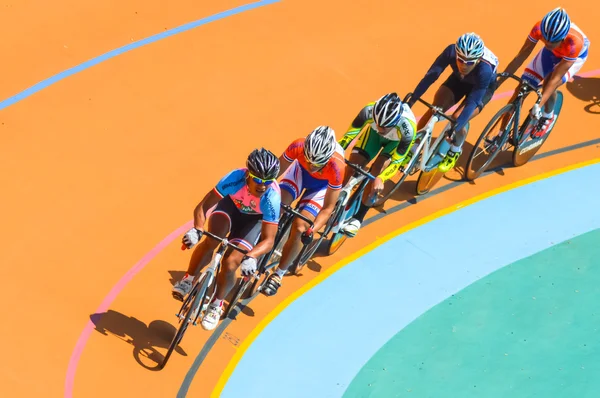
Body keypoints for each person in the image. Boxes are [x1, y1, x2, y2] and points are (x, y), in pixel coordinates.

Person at [172, 148, 281, 331]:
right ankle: (188, 279)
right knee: (211, 241)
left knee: (230, 263)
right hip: (229, 208)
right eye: (258, 180)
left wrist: (252, 256)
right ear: (248, 174)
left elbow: (269, 240)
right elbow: (203, 206)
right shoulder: (235, 178)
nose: (263, 185)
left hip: (252, 222)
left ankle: (217, 304)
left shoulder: (272, 198)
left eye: (268, 181)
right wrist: (197, 229)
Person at [261, 126, 346, 297]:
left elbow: (328, 208)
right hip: (298, 173)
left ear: (328, 158)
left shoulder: (337, 167)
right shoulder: (298, 146)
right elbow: (273, 177)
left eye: (317, 164)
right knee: (276, 205)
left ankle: (279, 274)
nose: (311, 166)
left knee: (301, 227)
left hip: (321, 187)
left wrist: (311, 230)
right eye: (308, 159)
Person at [407, 32, 499, 172]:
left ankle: (455, 150)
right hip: (460, 79)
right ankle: (414, 148)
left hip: (482, 88)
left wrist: (455, 128)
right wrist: (412, 100)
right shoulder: (450, 51)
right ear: (456, 54)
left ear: (478, 60)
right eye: (460, 59)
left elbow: (473, 101)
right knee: (435, 108)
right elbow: (431, 76)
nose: (464, 65)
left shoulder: (485, 70)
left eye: (469, 62)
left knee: (457, 118)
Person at [497, 7, 589, 138]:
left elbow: (555, 79)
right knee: (521, 89)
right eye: (545, 39)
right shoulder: (538, 29)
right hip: (553, 53)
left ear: (563, 38)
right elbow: (520, 57)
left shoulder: (574, 43)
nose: (548, 43)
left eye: (553, 41)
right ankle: (500, 135)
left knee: (549, 83)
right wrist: (499, 82)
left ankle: (548, 115)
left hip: (574, 57)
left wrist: (538, 105)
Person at [337, 92, 417, 237]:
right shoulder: (368, 110)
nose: (380, 128)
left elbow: (397, 161)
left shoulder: (408, 129)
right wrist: (336, 153)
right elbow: (349, 136)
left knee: (376, 173)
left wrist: (381, 178)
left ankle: (358, 217)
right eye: (378, 123)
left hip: (394, 143)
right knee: (351, 166)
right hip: (372, 137)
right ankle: (334, 197)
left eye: (385, 126)